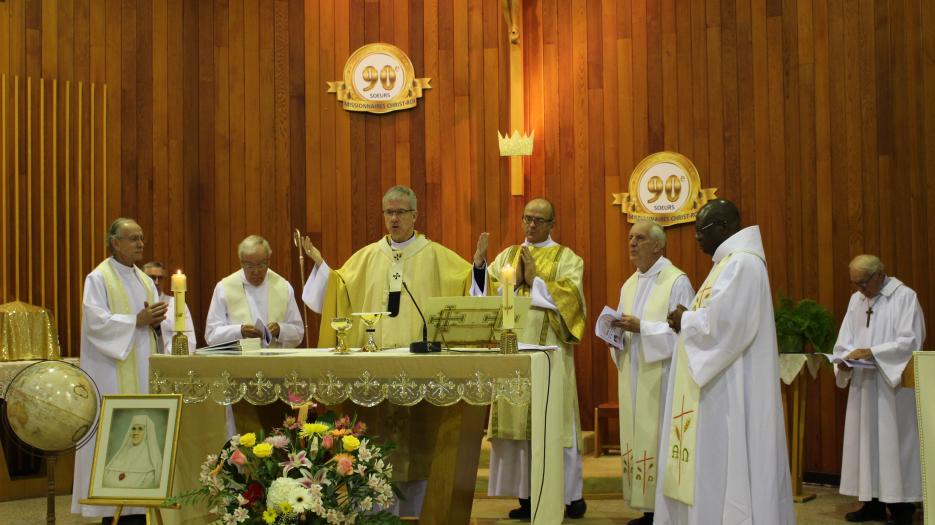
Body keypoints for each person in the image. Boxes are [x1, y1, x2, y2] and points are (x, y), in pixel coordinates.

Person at [301, 185, 487, 517]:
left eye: (401, 212)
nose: (394, 218)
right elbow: (339, 289)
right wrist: (322, 268)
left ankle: (418, 514)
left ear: (415, 215)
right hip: (375, 375)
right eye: (389, 212)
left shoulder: (436, 256)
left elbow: (467, 290)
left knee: (421, 447)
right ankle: (375, 517)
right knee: (377, 448)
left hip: (421, 374)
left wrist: (477, 268)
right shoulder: (367, 257)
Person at [656, 199, 794, 524]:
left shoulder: (743, 264)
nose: (696, 239)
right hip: (719, 380)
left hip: (732, 383)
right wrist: (689, 319)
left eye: (699, 231)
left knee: (731, 461)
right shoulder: (727, 264)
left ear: (723, 228)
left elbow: (728, 325)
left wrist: (685, 319)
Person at [480, 198, 588, 520]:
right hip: (514, 354)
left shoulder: (568, 258)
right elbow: (488, 296)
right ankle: (526, 497)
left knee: (555, 424)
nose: (531, 225)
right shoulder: (506, 256)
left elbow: (573, 301)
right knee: (520, 429)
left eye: (539, 220)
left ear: (552, 224)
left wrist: (537, 279)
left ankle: (570, 497)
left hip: (551, 356)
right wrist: (480, 266)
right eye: (527, 218)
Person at [71, 218, 165, 524]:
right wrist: (134, 321)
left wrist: (155, 321)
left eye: (141, 238)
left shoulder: (144, 279)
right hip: (113, 372)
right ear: (115, 242)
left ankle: (140, 508)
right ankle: (113, 511)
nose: (140, 244)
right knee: (116, 438)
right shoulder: (98, 278)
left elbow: (149, 323)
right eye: (133, 238)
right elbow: (95, 323)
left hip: (141, 369)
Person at [610, 220, 693, 525]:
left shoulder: (676, 281)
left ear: (658, 245)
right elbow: (624, 325)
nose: (632, 243)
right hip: (633, 373)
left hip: (663, 375)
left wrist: (642, 327)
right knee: (638, 437)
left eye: (640, 238)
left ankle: (665, 514)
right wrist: (614, 334)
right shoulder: (629, 284)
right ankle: (648, 511)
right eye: (630, 237)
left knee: (657, 438)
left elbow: (685, 332)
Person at [832, 255, 925, 525]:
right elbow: (845, 340)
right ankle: (870, 503)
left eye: (863, 283)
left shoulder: (905, 297)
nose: (860, 289)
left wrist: (873, 352)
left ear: (880, 274)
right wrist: (844, 360)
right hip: (863, 385)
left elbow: (911, 340)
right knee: (866, 444)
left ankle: (901, 508)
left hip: (891, 386)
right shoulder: (856, 300)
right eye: (855, 283)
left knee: (894, 443)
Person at [205, 235, 304, 348]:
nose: (256, 271)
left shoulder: (284, 287)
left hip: (275, 362)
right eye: (249, 266)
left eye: (261, 265)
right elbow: (211, 335)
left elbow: (298, 332)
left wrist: (280, 329)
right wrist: (240, 331)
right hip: (239, 363)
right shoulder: (224, 288)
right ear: (241, 263)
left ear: (268, 261)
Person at [142, 261, 196, 354]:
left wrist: (159, 329)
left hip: (167, 360)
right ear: (142, 279)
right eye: (152, 278)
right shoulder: (136, 303)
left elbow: (189, 341)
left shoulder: (176, 304)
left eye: (161, 278)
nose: (156, 282)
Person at [103, 414, 162, 489]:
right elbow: (105, 478)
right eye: (133, 429)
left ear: (147, 432)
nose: (135, 432)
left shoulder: (151, 458)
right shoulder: (122, 453)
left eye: (140, 429)